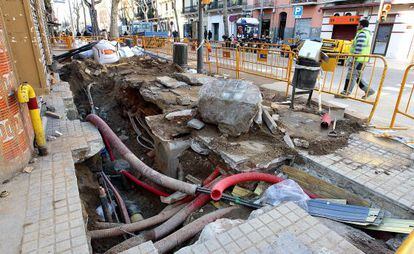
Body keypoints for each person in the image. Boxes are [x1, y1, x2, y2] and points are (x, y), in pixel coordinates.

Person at [338, 19, 375, 98]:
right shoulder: (367, 34)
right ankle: (369, 90)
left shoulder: (362, 34)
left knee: (351, 76)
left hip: (358, 59)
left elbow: (359, 47)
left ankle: (346, 92)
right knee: (357, 76)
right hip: (362, 59)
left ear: (361, 26)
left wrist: (353, 58)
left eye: (358, 25)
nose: (357, 26)